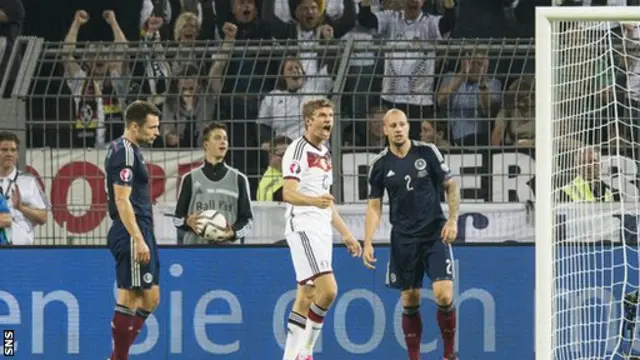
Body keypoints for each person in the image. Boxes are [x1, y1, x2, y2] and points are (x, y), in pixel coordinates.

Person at [363, 109, 460, 360]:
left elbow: (451, 185)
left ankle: (449, 354)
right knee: (410, 299)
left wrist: (452, 220)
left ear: (408, 127)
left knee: (444, 294)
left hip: (433, 233)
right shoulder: (380, 164)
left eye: (402, 124)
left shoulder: (427, 152)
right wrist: (368, 241)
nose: (398, 129)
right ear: (384, 129)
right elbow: (374, 206)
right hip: (404, 239)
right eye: (393, 125)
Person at [281, 98, 362, 360]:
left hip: (322, 227)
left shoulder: (325, 153)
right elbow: (288, 193)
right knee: (328, 290)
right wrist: (314, 202)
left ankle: (290, 356)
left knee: (306, 294)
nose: (329, 119)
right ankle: (306, 351)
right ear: (308, 121)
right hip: (303, 225)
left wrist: (346, 233)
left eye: (331, 115)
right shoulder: (297, 150)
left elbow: (326, 200)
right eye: (322, 115)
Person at [104, 100, 161, 360]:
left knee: (151, 299)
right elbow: (121, 199)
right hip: (131, 232)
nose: (156, 132)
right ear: (134, 126)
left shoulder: (132, 150)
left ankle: (116, 357)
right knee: (129, 296)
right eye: (152, 127)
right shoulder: (123, 152)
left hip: (142, 230)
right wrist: (138, 239)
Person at [173, 122, 254, 244]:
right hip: (196, 251)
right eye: (217, 138)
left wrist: (233, 232)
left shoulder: (239, 179)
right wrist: (187, 222)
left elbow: (247, 220)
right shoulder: (190, 179)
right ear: (206, 144)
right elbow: (177, 219)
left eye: (225, 139)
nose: (223, 142)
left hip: (228, 252)